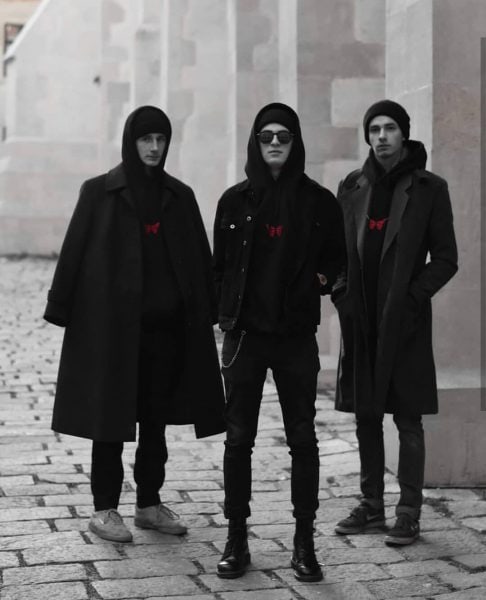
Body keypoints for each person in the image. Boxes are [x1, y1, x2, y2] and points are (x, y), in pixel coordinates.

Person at [44, 105, 225, 543]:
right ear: (132, 141)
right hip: (113, 333)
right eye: (146, 139)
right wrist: (60, 305)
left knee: (155, 423)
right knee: (109, 423)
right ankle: (105, 508)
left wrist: (212, 311)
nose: (154, 147)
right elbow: (74, 250)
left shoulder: (180, 196)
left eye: (161, 139)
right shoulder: (99, 192)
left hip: (167, 334)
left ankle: (148, 504)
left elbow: (200, 260)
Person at [213, 102, 345, 581]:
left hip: (294, 337)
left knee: (303, 440)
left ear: (295, 143)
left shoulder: (318, 202)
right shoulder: (233, 201)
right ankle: (236, 539)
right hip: (245, 337)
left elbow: (338, 260)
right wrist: (221, 316)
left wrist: (320, 280)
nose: (274, 143)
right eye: (266, 136)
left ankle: (304, 542)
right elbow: (219, 267)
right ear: (255, 141)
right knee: (238, 440)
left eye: (283, 136)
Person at [333, 100, 458, 546]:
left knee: (408, 418)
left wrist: (410, 298)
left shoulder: (428, 188)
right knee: (366, 415)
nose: (382, 136)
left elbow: (446, 259)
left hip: (404, 322)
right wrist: (342, 294)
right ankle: (371, 506)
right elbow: (337, 253)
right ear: (367, 136)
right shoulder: (351, 186)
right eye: (374, 129)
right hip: (361, 319)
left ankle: (408, 512)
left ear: (404, 133)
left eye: (390, 128)